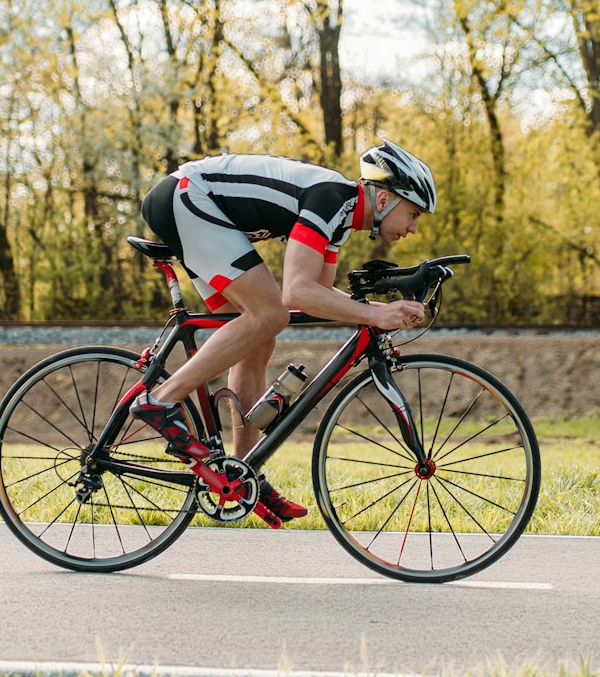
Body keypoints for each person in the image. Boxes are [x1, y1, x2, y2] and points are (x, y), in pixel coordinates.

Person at [130, 140, 436, 523]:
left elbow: (315, 296)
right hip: (188, 196)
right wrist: (376, 315)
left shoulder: (339, 218)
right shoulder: (331, 199)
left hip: (193, 203)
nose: (413, 227)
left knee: (260, 334)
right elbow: (297, 293)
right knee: (268, 314)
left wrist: (379, 311)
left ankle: (243, 473)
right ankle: (162, 400)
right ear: (386, 197)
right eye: (413, 213)